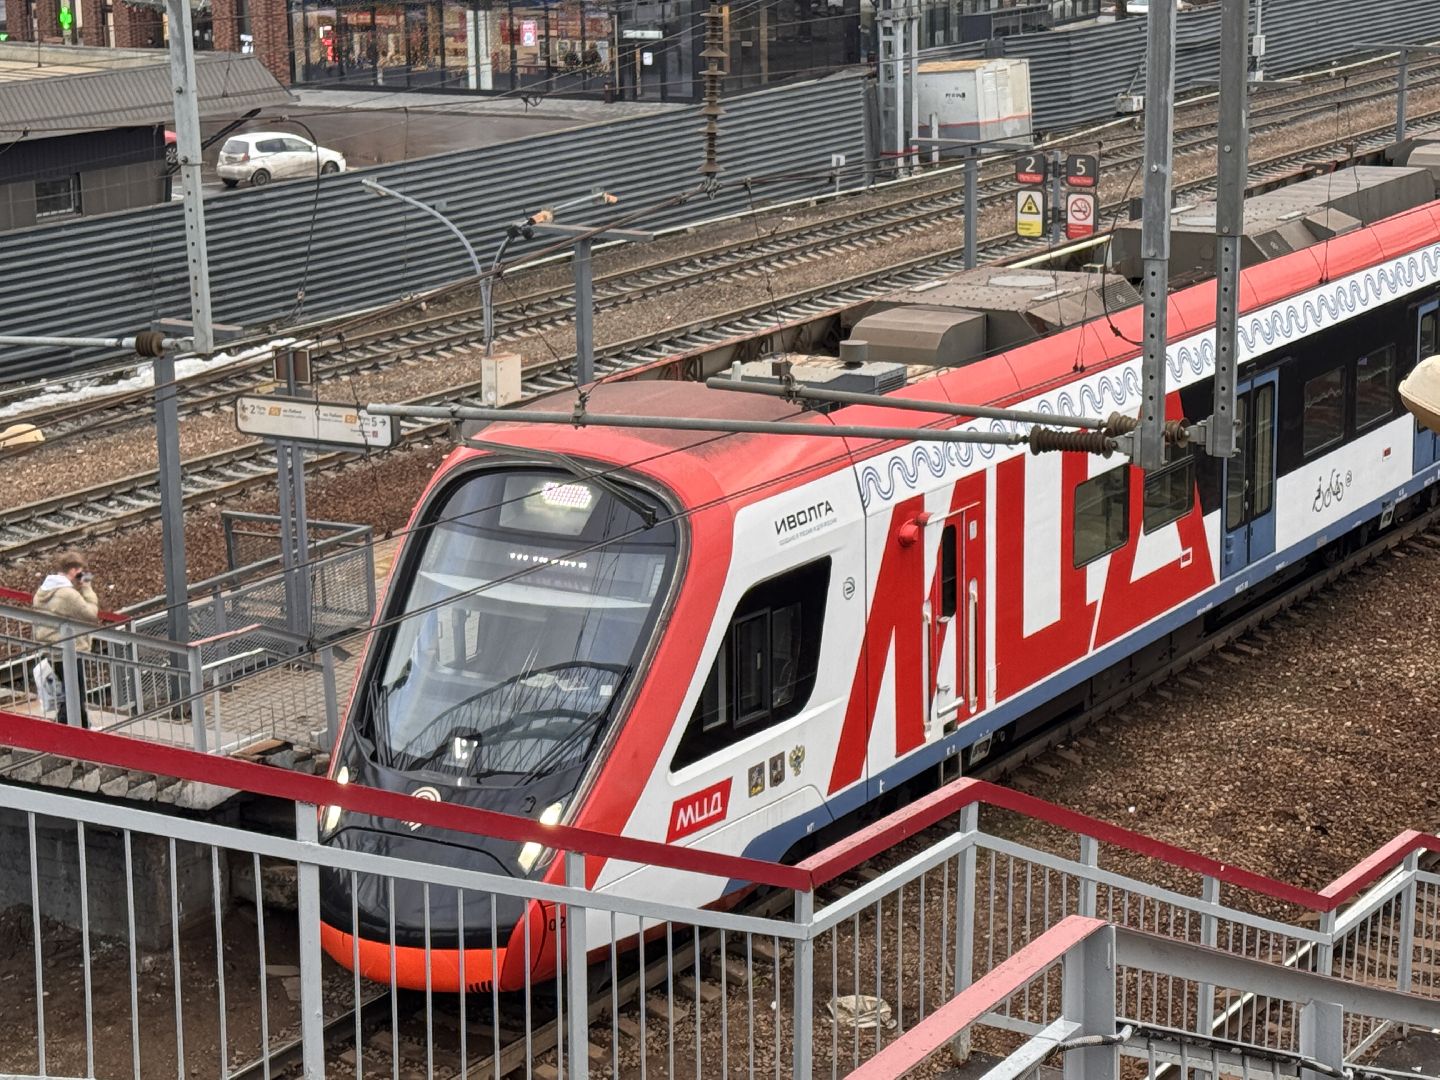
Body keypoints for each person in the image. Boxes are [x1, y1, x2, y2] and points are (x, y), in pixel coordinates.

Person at [32, 552, 100, 728]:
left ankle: (83, 727)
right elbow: (91, 614)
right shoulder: (68, 594)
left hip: (51, 647)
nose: (82, 575)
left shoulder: (44, 589)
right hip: (69, 649)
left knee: (70, 693)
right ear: (74, 570)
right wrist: (86, 587)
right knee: (75, 694)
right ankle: (67, 729)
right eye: (81, 571)